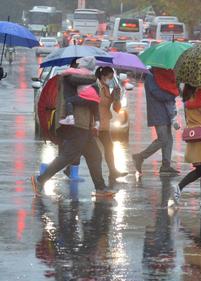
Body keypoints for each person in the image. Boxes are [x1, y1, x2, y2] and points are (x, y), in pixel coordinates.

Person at [31, 57, 114, 198]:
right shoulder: (69, 78)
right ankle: (40, 180)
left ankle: (100, 188)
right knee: (67, 156)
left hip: (84, 125)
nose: (87, 71)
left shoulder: (81, 80)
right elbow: (82, 99)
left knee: (95, 155)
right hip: (76, 124)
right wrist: (94, 80)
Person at [132, 67, 180, 177]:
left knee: (169, 139)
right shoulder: (151, 76)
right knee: (163, 139)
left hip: (165, 111)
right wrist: (171, 95)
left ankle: (166, 165)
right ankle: (140, 157)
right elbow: (156, 93)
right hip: (157, 111)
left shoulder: (160, 75)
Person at [95, 66, 128, 184]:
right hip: (96, 124)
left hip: (104, 124)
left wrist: (116, 97)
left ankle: (113, 171)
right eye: (109, 77)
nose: (111, 79)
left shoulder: (106, 88)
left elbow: (116, 108)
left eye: (112, 77)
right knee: (89, 151)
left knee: (109, 147)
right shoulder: (97, 87)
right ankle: (70, 168)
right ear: (103, 76)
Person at [59, 57, 100, 127]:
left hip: (85, 95)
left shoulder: (80, 71)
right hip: (95, 96)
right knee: (95, 108)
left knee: (69, 101)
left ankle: (70, 117)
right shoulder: (91, 74)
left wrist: (62, 73)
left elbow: (66, 72)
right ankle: (97, 122)